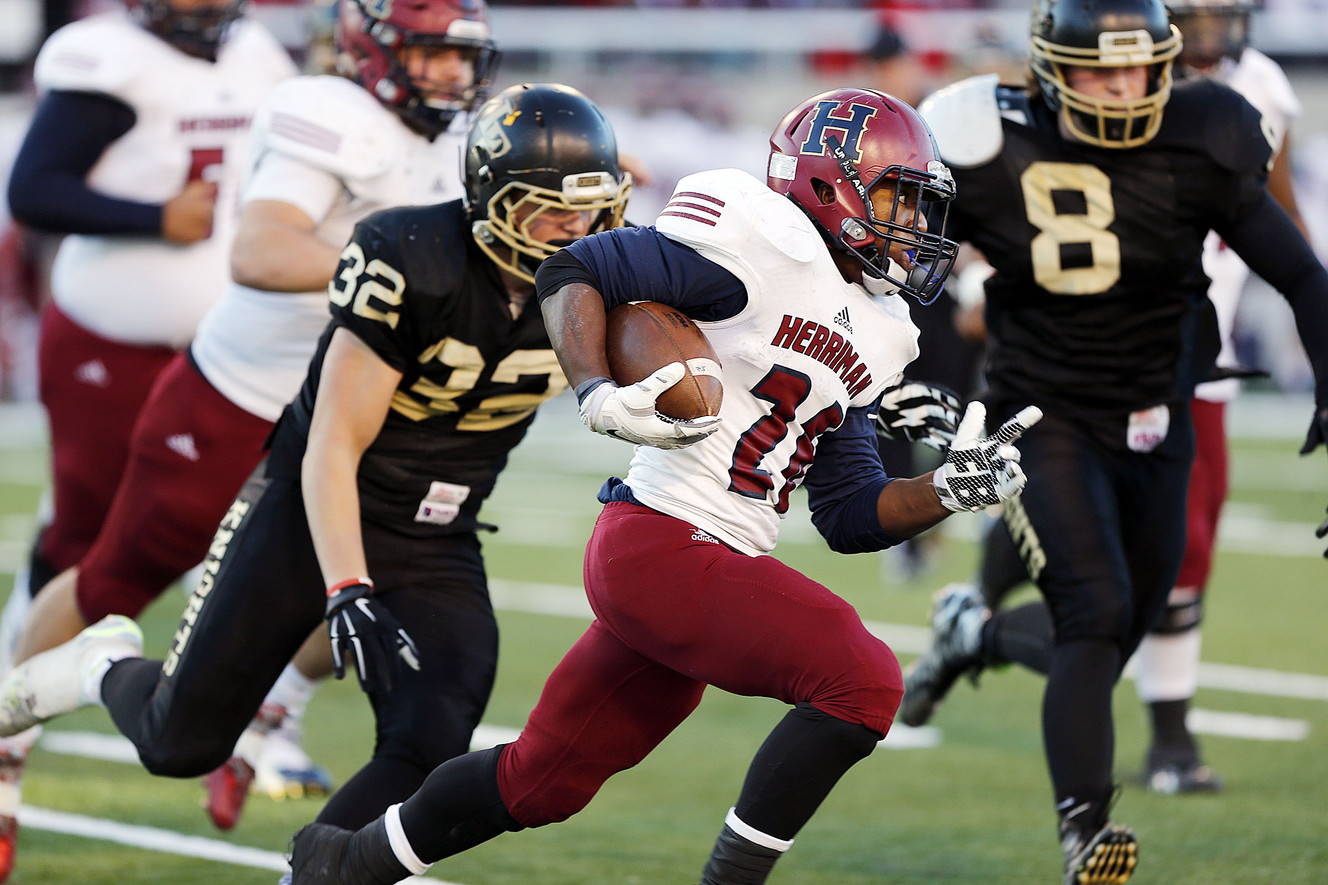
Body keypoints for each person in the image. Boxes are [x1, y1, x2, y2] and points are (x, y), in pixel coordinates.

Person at [272, 86, 1042, 885]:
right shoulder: (762, 237)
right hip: (664, 539)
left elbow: (848, 511)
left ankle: (344, 860)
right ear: (828, 183)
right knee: (865, 679)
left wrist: (948, 490)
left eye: (920, 205)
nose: (914, 224)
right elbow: (577, 268)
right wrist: (597, 392)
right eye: (897, 196)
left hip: (705, 556)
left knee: (542, 780)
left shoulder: (884, 330)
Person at [0, 80, 629, 862]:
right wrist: (346, 587)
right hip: (312, 509)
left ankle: (320, 872)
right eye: (553, 206)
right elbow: (332, 440)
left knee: (431, 736)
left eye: (595, 206)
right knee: (177, 744)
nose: (578, 226)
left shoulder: (609, 271)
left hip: (436, 533)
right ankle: (98, 662)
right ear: (491, 196)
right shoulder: (409, 254)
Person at [897, 0, 1328, 881]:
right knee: (1093, 613)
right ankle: (1086, 833)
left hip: (1158, 410)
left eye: (1137, 67)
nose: (1123, 86)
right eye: (1099, 68)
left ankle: (971, 632)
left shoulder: (1208, 131)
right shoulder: (979, 135)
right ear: (1050, 66)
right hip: (1038, 414)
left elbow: (1300, 273)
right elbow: (899, 280)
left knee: (1122, 626)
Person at [0, 0, 295, 876]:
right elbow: (35, 188)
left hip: (224, 345)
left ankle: (264, 719)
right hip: (108, 333)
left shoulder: (256, 51)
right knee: (87, 539)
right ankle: (12, 743)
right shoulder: (105, 57)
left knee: (255, 527)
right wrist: (151, 215)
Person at [1129, 0, 1310, 796]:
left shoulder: (1260, 87)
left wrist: (1312, 302)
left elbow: (1278, 214)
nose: (1208, 34)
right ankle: (984, 624)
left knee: (1187, 542)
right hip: (1107, 349)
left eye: (1220, 13)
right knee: (1100, 562)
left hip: (1206, 346)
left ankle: (1170, 737)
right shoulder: (1113, 77)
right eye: (1190, 15)